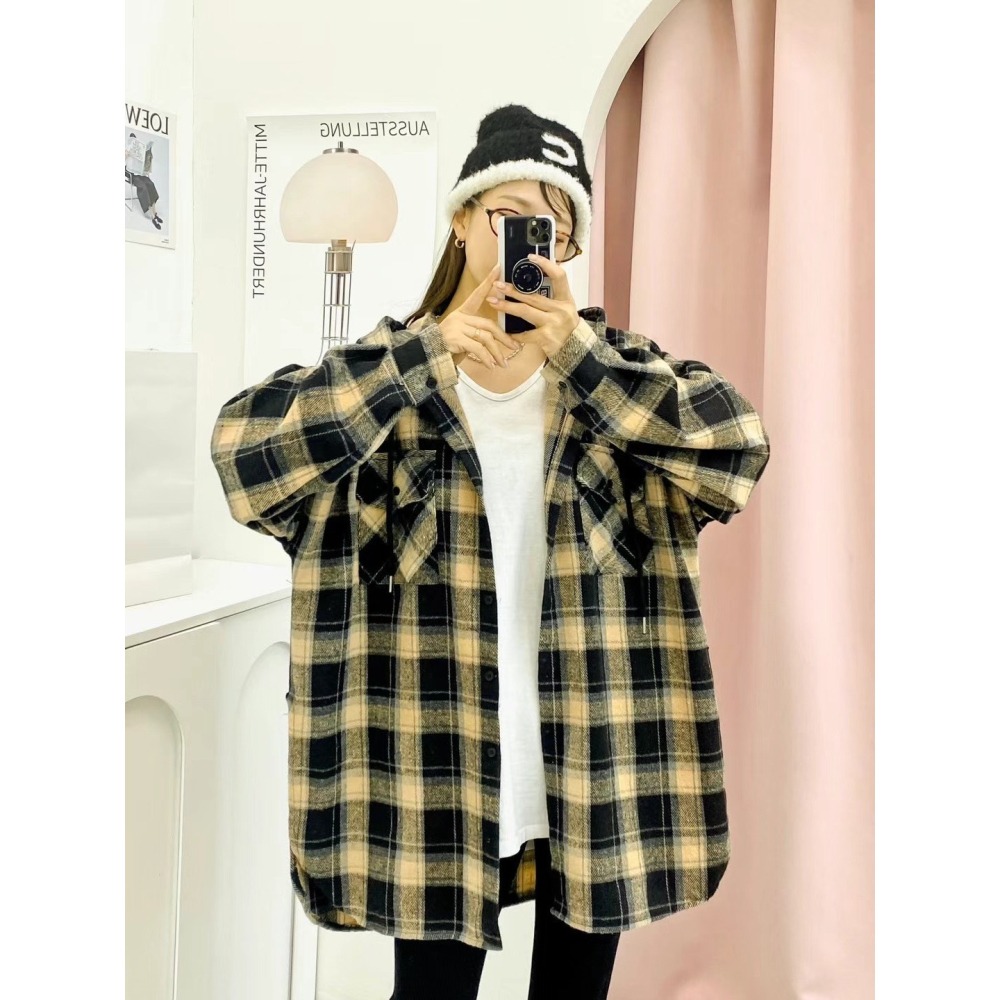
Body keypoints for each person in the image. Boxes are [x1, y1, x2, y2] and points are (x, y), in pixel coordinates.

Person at [211, 103, 771, 1000]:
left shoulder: (616, 378)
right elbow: (245, 455)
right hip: (432, 771)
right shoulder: (385, 377)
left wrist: (584, 361)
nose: (529, 240)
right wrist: (421, 360)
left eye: (552, 224)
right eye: (511, 213)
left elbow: (737, 446)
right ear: (464, 221)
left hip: (596, 765)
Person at [125, 132, 163, 230]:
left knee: (151, 184)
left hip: (140, 174)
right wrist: (127, 153)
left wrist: (148, 160)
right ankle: (153, 217)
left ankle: (155, 213)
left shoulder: (139, 151)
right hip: (132, 175)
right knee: (144, 187)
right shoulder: (127, 149)